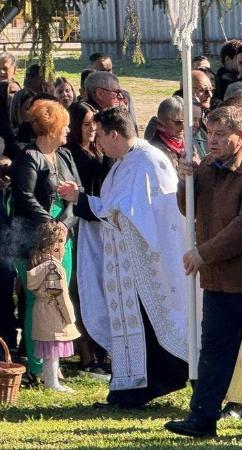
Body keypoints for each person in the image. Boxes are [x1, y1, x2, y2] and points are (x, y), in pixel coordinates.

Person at [163, 104, 242, 438]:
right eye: (210, 133)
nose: (213, 140)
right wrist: (184, 182)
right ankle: (202, 419)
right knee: (214, 355)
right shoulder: (208, 164)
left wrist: (202, 254)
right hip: (218, 282)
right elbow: (187, 208)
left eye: (221, 134)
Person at [56, 107, 189, 409]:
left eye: (100, 135)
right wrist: (81, 199)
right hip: (127, 267)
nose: (97, 141)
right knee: (135, 330)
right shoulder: (123, 163)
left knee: (152, 329)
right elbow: (117, 208)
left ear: (114, 134)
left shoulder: (147, 161)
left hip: (150, 266)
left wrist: (83, 202)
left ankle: (154, 384)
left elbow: (128, 214)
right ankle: (129, 392)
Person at [11, 100, 82, 385]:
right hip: (34, 235)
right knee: (37, 298)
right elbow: (23, 195)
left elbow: (77, 192)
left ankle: (54, 364)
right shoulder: (28, 157)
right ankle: (38, 364)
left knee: (59, 296)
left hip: (63, 232)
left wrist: (64, 224)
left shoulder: (64, 156)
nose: (68, 130)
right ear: (52, 128)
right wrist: (50, 225)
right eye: (64, 125)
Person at [66, 101, 113, 375]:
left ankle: (103, 349)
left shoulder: (98, 150)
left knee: (101, 288)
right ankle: (86, 355)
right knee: (80, 289)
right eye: (86, 125)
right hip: (81, 224)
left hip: (100, 222)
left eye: (95, 124)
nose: (92, 130)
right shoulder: (72, 153)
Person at [26, 221, 80, 392]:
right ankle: (52, 382)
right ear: (54, 246)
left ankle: (51, 380)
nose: (64, 248)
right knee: (53, 352)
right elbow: (59, 295)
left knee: (49, 351)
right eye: (62, 242)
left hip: (41, 311)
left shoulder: (38, 263)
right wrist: (69, 316)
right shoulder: (54, 268)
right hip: (53, 313)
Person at [148, 96, 185, 170]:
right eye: (178, 122)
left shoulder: (189, 144)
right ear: (162, 123)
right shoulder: (155, 151)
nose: (183, 127)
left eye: (186, 121)